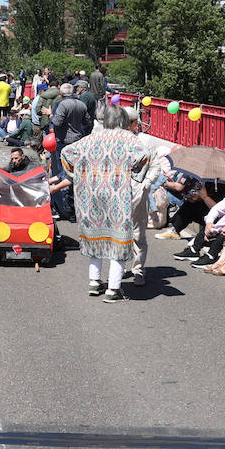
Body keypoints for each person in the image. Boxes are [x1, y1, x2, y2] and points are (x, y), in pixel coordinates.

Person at [60, 104, 151, 302]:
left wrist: (76, 175)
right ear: (123, 121)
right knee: (117, 242)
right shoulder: (129, 139)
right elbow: (144, 156)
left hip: (90, 196)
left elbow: (66, 154)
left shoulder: (89, 139)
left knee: (96, 239)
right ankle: (112, 289)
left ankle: (94, 281)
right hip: (117, 196)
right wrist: (135, 175)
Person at [49, 83, 91, 176]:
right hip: (77, 140)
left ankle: (64, 187)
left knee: (63, 166)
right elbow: (87, 122)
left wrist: (51, 116)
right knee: (75, 166)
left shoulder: (62, 104)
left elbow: (57, 122)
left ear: (61, 93)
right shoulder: (81, 104)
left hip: (63, 140)